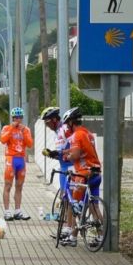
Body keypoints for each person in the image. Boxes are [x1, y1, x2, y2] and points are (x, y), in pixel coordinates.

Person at [58, 107, 103, 247]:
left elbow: (76, 155)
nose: (67, 127)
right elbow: (83, 150)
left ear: (71, 122)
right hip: (95, 172)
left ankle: (72, 237)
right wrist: (64, 151)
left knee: (75, 205)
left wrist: (67, 157)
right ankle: (102, 236)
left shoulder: (77, 135)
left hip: (83, 174)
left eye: (67, 124)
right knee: (94, 207)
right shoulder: (87, 134)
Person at [40, 106, 73, 239]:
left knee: (68, 200)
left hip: (70, 168)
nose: (47, 126)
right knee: (65, 199)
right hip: (64, 167)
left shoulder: (64, 129)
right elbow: (62, 152)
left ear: (54, 119)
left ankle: (68, 229)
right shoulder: (58, 130)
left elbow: (72, 148)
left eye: (47, 122)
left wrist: (56, 153)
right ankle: (67, 228)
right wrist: (52, 154)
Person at [0, 107, 34, 221]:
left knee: (19, 186)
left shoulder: (26, 129)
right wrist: (11, 128)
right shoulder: (7, 128)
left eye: (20, 118)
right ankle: (7, 211)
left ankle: (18, 211)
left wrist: (23, 131)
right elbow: (3, 140)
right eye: (16, 118)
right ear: (12, 118)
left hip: (21, 160)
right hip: (11, 159)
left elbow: (30, 144)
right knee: (8, 185)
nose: (18, 120)